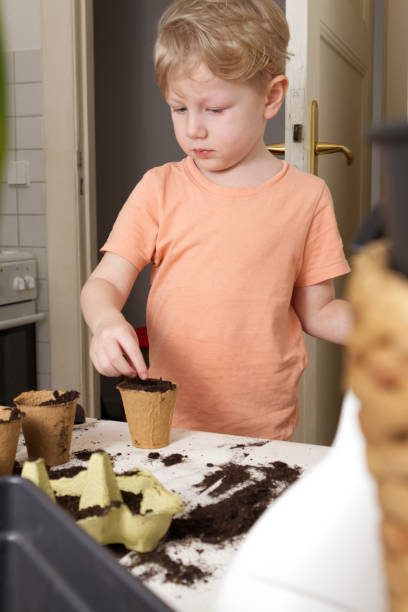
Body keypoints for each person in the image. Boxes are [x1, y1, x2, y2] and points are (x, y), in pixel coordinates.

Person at [80, 0, 352, 440]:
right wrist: (106, 323)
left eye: (214, 109)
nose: (193, 129)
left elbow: (319, 312)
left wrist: (388, 327)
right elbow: (104, 283)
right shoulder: (159, 188)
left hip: (265, 428)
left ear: (271, 97)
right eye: (178, 108)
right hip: (170, 423)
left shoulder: (308, 198)